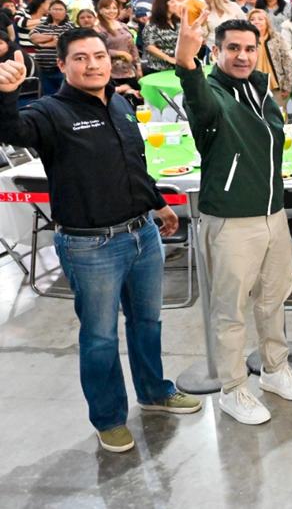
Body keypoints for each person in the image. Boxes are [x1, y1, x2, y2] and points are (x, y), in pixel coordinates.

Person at [0, 29, 201, 453]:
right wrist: (6, 94)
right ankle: (108, 418)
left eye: (99, 56)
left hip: (142, 234)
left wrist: (158, 205)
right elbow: (14, 131)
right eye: (80, 58)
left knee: (147, 324)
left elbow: (132, 165)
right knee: (100, 337)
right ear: (62, 64)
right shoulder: (50, 112)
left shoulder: (121, 103)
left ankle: (154, 392)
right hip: (91, 246)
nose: (93, 65)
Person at [175, 18, 292, 425]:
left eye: (250, 48)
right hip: (232, 220)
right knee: (230, 310)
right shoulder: (211, 94)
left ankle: (274, 368)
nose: (242, 56)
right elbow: (197, 96)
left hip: (272, 214)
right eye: (232, 48)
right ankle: (233, 389)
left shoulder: (259, 90)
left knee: (273, 298)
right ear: (216, 51)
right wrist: (185, 60)